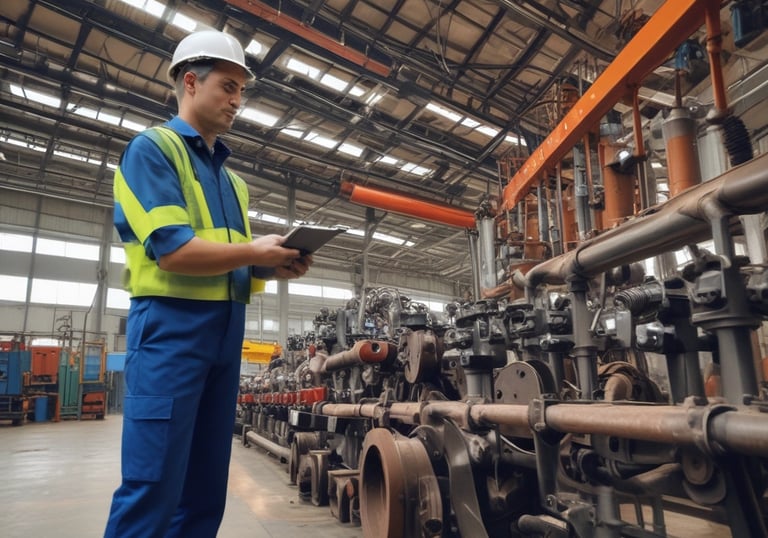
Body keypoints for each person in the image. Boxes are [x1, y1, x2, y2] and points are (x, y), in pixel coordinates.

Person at [105, 29, 311, 537]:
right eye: (228, 86)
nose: (238, 101)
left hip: (225, 338)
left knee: (204, 492)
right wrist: (253, 250)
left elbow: (228, 260)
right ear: (191, 82)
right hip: (170, 335)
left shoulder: (231, 181)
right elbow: (173, 250)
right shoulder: (152, 151)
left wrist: (271, 265)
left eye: (243, 90)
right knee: (152, 487)